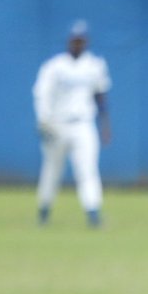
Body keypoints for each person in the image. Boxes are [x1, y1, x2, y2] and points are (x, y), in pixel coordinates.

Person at [33, 19, 112, 228]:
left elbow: (101, 96)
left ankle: (93, 213)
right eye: (75, 39)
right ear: (69, 40)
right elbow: (41, 94)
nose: (78, 43)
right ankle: (43, 211)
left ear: (86, 41)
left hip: (83, 124)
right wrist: (43, 120)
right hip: (57, 125)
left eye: (81, 40)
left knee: (87, 170)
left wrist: (105, 126)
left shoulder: (94, 65)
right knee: (52, 169)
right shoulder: (55, 66)